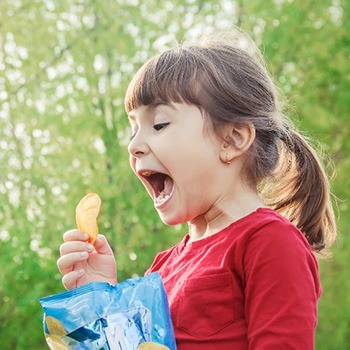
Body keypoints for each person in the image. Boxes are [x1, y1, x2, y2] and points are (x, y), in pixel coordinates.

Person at [57, 29, 337, 349]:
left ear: (231, 140)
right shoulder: (163, 267)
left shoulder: (269, 242)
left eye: (159, 124)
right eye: (133, 129)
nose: (133, 146)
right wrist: (101, 296)